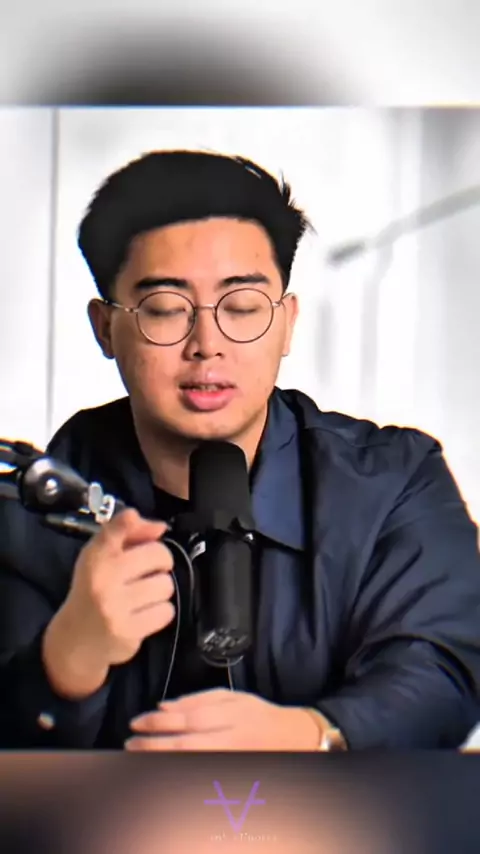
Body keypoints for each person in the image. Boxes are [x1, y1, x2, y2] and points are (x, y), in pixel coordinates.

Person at [1, 150, 480, 751]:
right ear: (105, 327)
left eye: (244, 307)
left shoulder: (395, 482)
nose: (208, 344)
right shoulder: (30, 509)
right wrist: (66, 660)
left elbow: (445, 673)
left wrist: (312, 734)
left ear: (287, 322)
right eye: (165, 309)